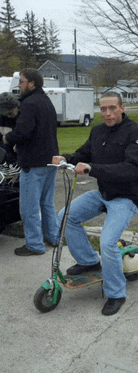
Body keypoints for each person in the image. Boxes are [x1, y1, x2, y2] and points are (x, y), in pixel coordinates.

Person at [52, 92, 138, 316]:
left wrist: (93, 169)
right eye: (103, 109)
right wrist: (66, 158)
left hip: (126, 197)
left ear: (122, 108)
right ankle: (88, 262)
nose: (107, 113)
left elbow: (132, 168)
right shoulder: (97, 131)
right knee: (65, 216)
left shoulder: (135, 133)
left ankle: (116, 293)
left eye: (112, 108)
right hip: (103, 193)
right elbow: (83, 153)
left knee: (107, 242)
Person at [1, 68, 60, 256]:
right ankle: (54, 237)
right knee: (47, 203)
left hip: (33, 163)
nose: (20, 85)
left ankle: (34, 245)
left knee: (29, 206)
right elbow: (39, 131)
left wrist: (8, 139)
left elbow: (23, 131)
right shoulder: (46, 101)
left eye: (22, 81)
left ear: (32, 83)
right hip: (50, 160)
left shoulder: (28, 103)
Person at [0, 92, 20, 164]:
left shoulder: (21, 119)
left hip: (18, 156)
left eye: (10, 113)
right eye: (5, 113)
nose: (8, 116)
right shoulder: (2, 119)